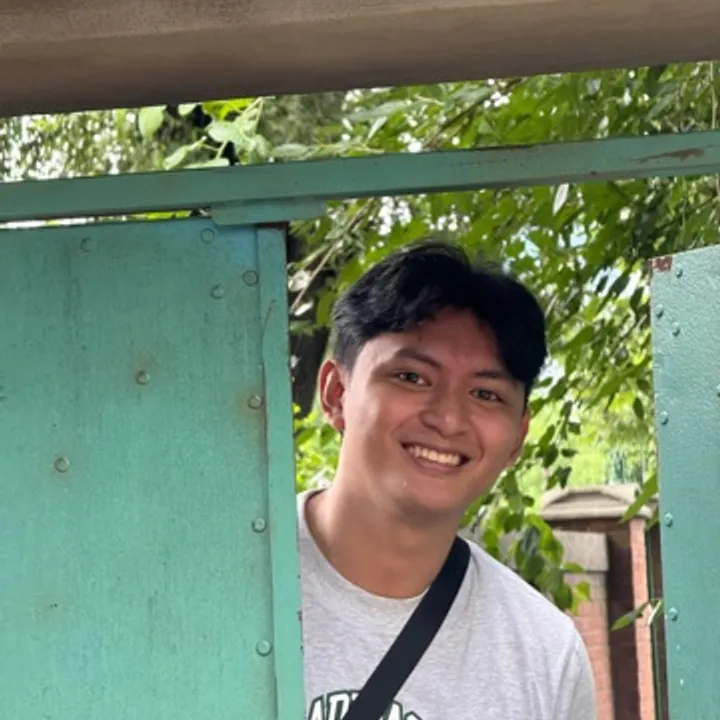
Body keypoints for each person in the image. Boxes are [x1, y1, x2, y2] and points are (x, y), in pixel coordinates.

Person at [297, 239, 597, 720]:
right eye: (412, 378)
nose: (449, 419)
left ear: (518, 437)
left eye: (485, 394)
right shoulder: (216, 580)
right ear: (336, 394)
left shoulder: (543, 655)